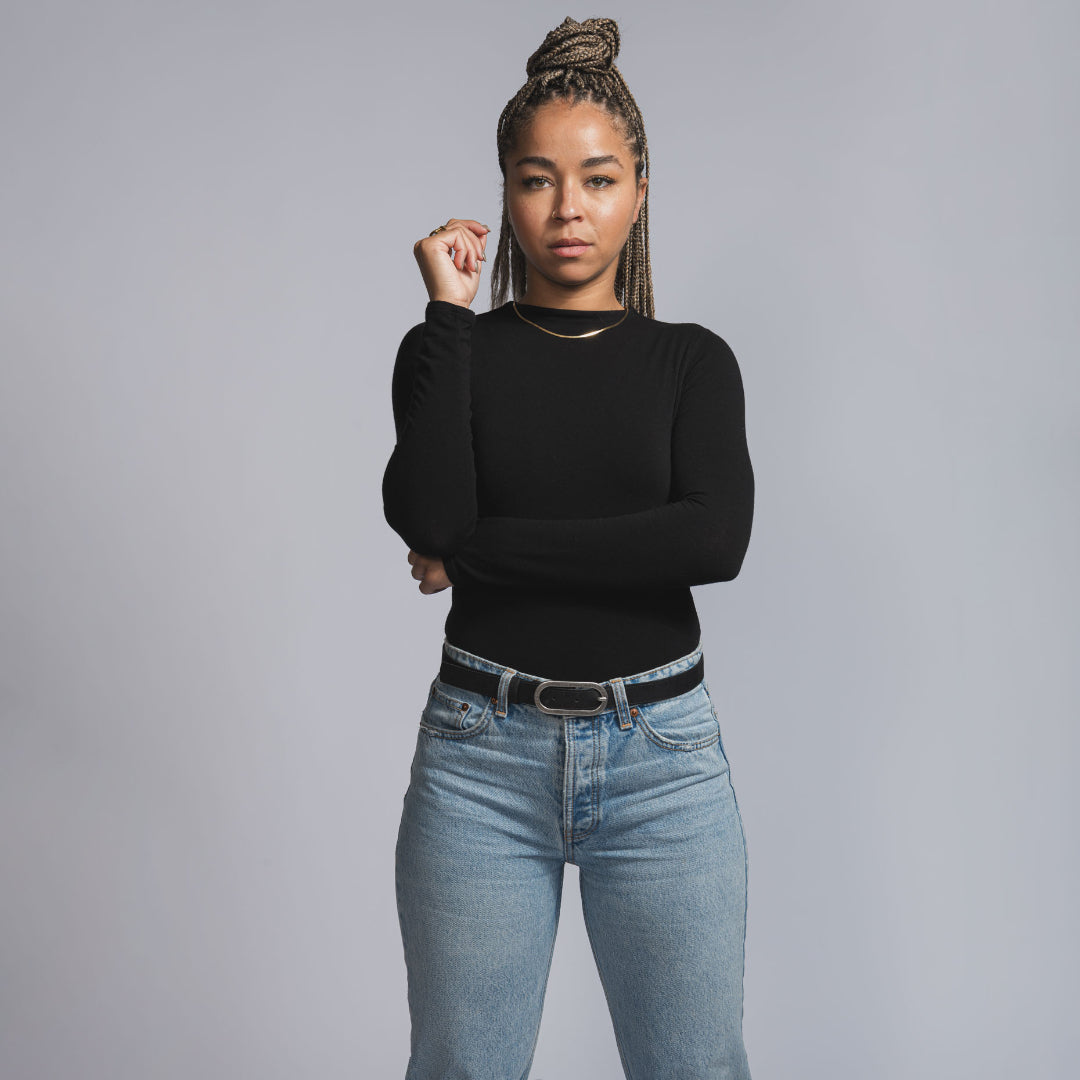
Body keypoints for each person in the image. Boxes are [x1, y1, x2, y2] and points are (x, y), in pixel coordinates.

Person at [381, 16, 754, 1079]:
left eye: (597, 179)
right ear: (505, 191)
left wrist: (479, 556)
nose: (568, 208)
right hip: (479, 762)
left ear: (638, 190)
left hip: (662, 763)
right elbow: (428, 519)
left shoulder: (691, 364)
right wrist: (447, 310)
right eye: (536, 180)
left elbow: (710, 538)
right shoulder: (450, 352)